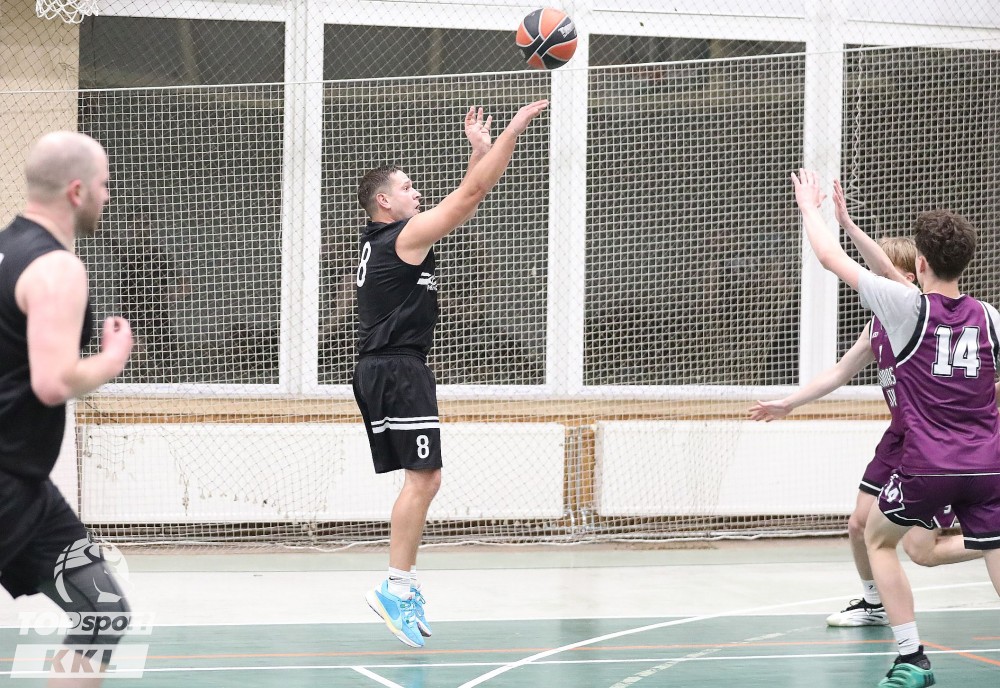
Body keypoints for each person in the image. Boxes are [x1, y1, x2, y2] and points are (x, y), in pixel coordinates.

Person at [792, 168, 1000, 688]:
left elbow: (830, 258)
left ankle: (911, 658)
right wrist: (849, 223)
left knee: (879, 539)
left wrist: (811, 211)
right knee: (994, 548)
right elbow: (887, 268)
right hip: (988, 463)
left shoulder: (908, 310)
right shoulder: (990, 317)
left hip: (929, 464)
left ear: (920, 264)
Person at [352, 101, 548, 648]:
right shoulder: (402, 238)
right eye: (408, 187)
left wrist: (478, 151)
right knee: (425, 478)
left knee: (425, 478)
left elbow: (466, 191)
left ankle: (401, 584)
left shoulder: (384, 242)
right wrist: (512, 131)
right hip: (395, 366)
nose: (417, 194)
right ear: (385, 201)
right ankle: (395, 587)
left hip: (389, 365)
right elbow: (472, 194)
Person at [750, 188, 981, 629]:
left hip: (936, 442)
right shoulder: (879, 325)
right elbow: (839, 372)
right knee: (858, 525)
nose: (872, 282)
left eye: (881, 274)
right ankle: (874, 603)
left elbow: (852, 263)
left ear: (910, 276)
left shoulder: (920, 315)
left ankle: (989, 540)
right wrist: (789, 403)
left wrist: (816, 213)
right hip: (900, 436)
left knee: (921, 550)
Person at [0, 131, 133, 686]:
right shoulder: (58, 268)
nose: (108, 196)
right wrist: (112, 358)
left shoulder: (5, 249)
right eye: (104, 185)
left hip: (27, 488)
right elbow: (53, 382)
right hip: (6, 485)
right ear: (77, 191)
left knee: (103, 613)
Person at [113, 206, 187, 380]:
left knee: (167, 360)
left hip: (157, 314)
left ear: (152, 227)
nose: (140, 229)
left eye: (144, 223)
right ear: (130, 228)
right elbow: (107, 238)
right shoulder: (126, 254)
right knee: (138, 363)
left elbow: (184, 284)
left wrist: (171, 295)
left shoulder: (159, 255)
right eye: (135, 224)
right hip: (133, 314)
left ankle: (166, 384)